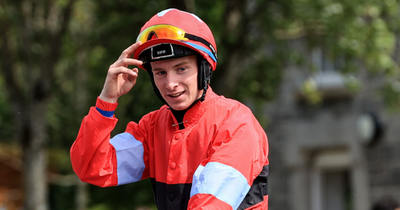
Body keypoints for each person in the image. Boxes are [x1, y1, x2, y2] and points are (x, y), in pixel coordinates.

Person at [70, 8, 269, 210]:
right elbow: (93, 168)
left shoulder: (236, 124)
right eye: (160, 72)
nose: (170, 84)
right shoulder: (152, 127)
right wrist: (107, 101)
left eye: (181, 69)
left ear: (204, 68)